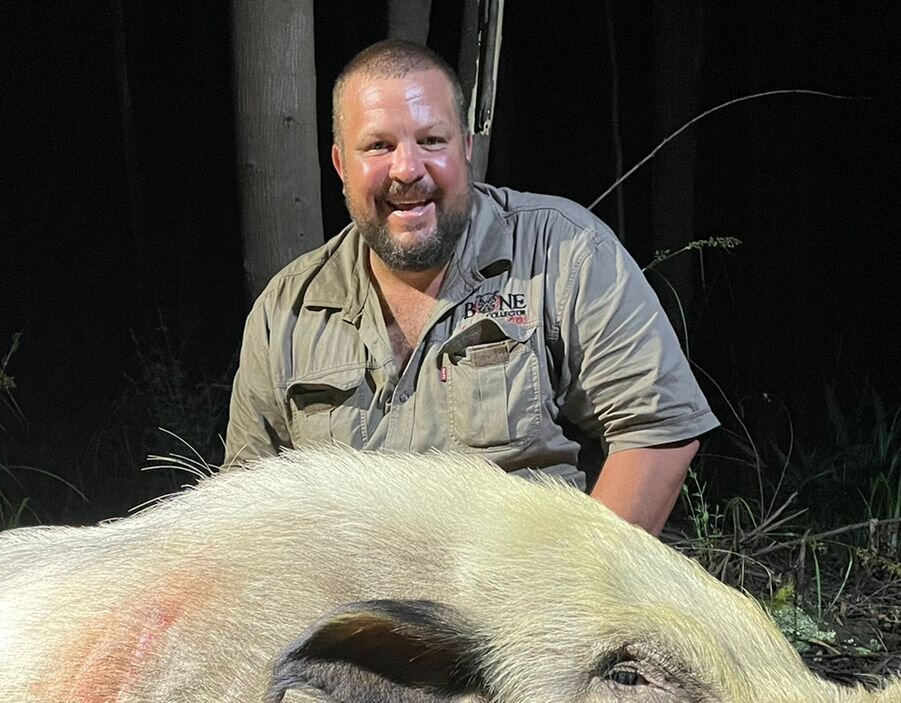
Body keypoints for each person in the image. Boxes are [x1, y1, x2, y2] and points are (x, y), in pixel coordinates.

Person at [224, 40, 718, 535]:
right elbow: (245, 501)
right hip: (348, 603)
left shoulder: (564, 251)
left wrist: (572, 598)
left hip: (521, 593)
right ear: (340, 165)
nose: (407, 169)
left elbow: (657, 434)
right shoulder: (286, 310)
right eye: (378, 146)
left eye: (432, 141)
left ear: (466, 147)